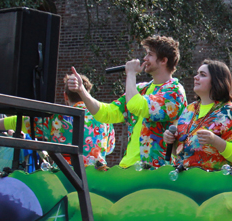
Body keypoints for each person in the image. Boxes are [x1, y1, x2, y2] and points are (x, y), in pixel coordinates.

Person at [67, 35, 186, 168]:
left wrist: (131, 74)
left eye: (150, 55)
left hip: (155, 170)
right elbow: (106, 113)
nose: (145, 59)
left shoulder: (174, 91)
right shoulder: (141, 89)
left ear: (163, 60)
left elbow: (136, 106)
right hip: (129, 166)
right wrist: (81, 91)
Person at [0, 72, 116, 167]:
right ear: (88, 92)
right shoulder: (104, 117)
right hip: (98, 175)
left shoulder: (54, 118)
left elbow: (15, 121)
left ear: (65, 96)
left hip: (68, 178)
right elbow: (109, 148)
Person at [162, 60, 232, 171]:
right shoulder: (189, 110)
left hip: (214, 184)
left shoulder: (231, 113)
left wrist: (215, 141)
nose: (195, 77)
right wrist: (171, 141)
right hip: (184, 180)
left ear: (217, 81)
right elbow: (179, 153)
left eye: (202, 75)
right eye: (197, 73)